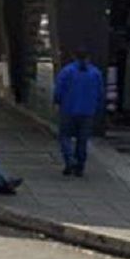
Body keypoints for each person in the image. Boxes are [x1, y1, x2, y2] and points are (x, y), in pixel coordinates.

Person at [54, 48, 105, 177]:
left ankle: (70, 160)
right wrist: (98, 108)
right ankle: (80, 166)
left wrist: (57, 102)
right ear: (89, 57)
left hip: (68, 109)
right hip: (87, 111)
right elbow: (100, 93)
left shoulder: (67, 71)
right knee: (82, 140)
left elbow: (58, 90)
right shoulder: (95, 73)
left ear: (74, 56)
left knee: (65, 136)